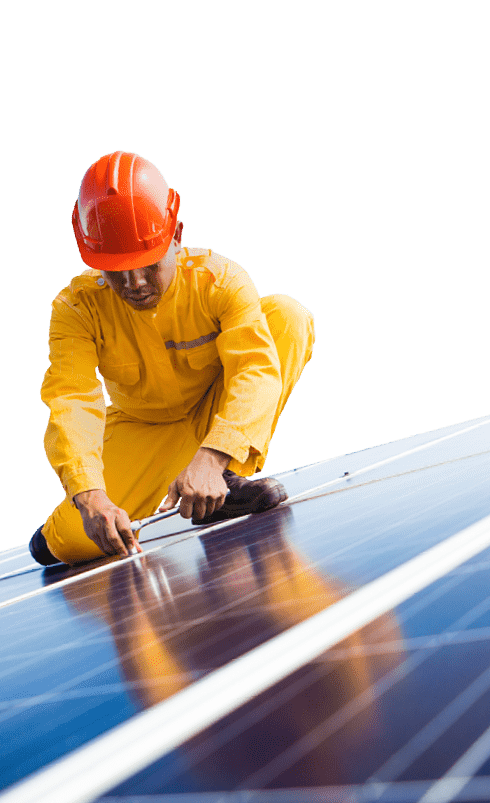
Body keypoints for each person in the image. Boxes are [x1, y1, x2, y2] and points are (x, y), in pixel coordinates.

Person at [28, 149, 314, 566]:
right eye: (115, 270)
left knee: (286, 317)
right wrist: (88, 496)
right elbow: (72, 400)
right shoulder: (75, 309)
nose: (134, 283)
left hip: (217, 419)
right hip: (145, 430)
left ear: (175, 235)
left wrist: (214, 457)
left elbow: (255, 369)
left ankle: (225, 481)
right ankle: (56, 530)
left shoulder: (221, 282)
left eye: (147, 265)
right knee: (78, 541)